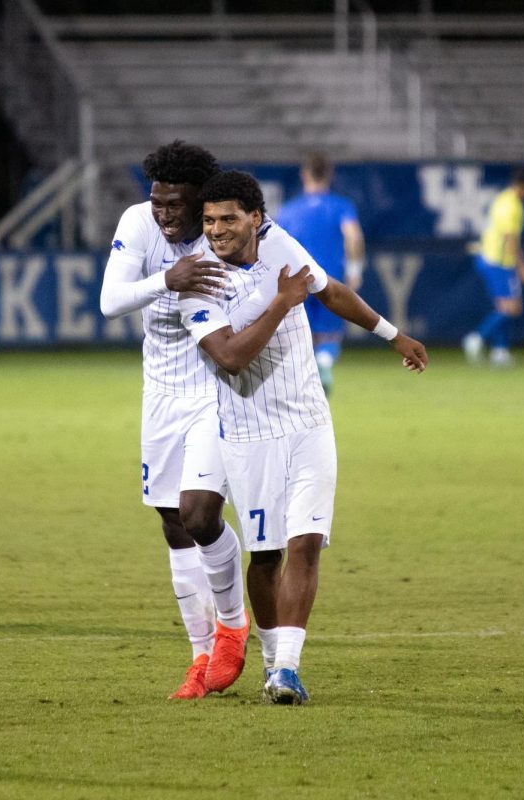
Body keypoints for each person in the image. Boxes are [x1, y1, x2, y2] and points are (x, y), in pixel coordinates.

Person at [179, 171, 427, 704]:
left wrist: (393, 335)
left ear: (255, 218)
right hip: (248, 434)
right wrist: (281, 304)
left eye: (227, 219)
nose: (216, 230)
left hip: (309, 422)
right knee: (265, 557)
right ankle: (271, 661)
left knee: (306, 544)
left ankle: (287, 668)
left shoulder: (280, 244)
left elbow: (331, 291)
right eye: (208, 220)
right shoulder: (196, 281)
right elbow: (228, 358)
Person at [99, 141, 251, 699]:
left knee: (200, 513)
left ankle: (233, 624)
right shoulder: (139, 223)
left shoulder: (226, 229)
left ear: (201, 200)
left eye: (175, 204)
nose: (164, 214)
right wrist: (169, 279)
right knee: (173, 523)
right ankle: (200, 655)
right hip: (161, 395)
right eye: (157, 201)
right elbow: (111, 301)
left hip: (217, 391)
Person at [275, 152, 365, 397]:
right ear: (329, 174)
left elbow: (277, 245)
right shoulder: (340, 206)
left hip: (298, 281)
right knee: (329, 335)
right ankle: (324, 365)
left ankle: (303, 383)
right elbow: (353, 236)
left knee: (301, 335)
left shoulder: (288, 211)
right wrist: (354, 270)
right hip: (330, 281)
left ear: (305, 174)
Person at [462, 166, 524, 367]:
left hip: (488, 257)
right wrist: (522, 267)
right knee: (512, 307)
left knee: (502, 307)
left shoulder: (503, 198)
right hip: (499, 262)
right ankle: (476, 338)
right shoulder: (512, 207)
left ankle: (500, 351)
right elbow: (510, 239)